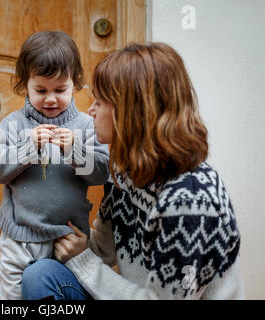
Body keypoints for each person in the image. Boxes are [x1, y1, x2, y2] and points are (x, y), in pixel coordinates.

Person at [22, 42, 245, 300]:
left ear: (132, 112)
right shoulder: (127, 173)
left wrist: (82, 260)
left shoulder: (190, 202)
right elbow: (101, 250)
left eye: (100, 101)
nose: (90, 110)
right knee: (42, 274)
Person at [0, 30, 110, 300]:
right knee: (12, 299)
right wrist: (27, 147)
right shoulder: (13, 124)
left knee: (50, 295)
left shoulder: (86, 126)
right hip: (18, 237)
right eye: (40, 90)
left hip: (65, 238)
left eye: (60, 90)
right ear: (25, 85)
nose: (51, 99)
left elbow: (100, 174)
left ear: (75, 83)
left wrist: (75, 150)